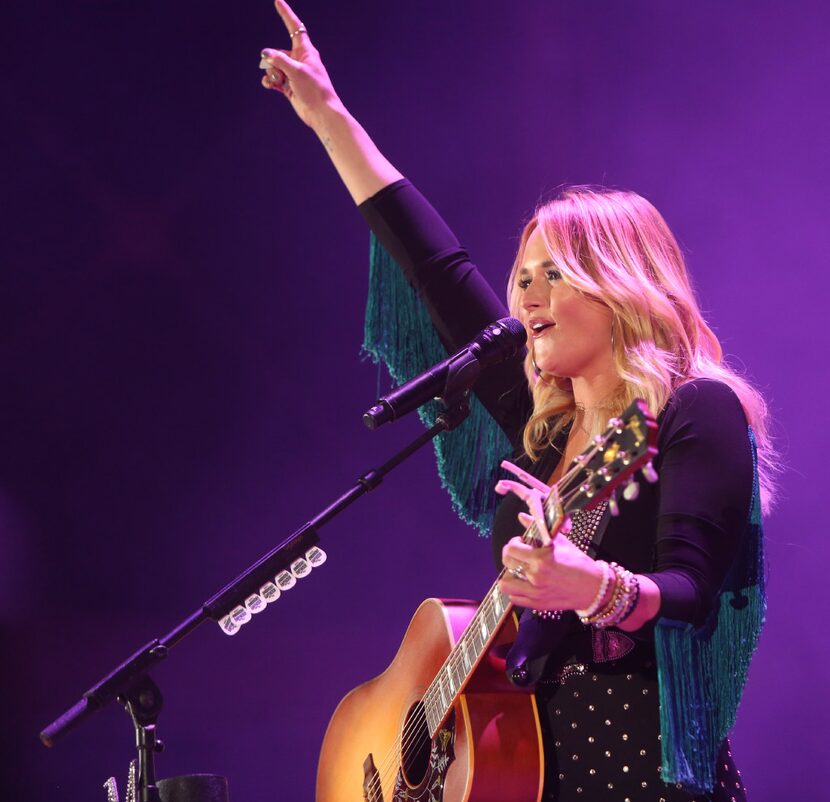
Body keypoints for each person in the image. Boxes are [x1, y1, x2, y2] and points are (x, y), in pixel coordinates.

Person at [259, 2, 774, 800]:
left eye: (553, 276)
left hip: (644, 765)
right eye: (522, 277)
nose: (526, 294)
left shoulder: (696, 410)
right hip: (528, 768)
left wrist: (593, 587)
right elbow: (434, 267)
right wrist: (329, 119)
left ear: (620, 289)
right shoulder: (544, 431)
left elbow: (694, 594)